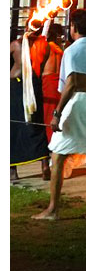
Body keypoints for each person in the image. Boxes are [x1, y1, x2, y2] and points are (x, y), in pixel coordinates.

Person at [33, 10, 86, 221]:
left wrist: (57, 113)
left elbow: (71, 84)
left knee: (58, 155)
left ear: (74, 28)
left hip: (76, 102)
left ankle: (52, 209)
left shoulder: (71, 51)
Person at [10, 32, 50, 182]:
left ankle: (12, 171)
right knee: (36, 125)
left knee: (13, 126)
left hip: (15, 87)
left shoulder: (16, 44)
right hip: (33, 85)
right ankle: (45, 165)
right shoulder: (44, 46)